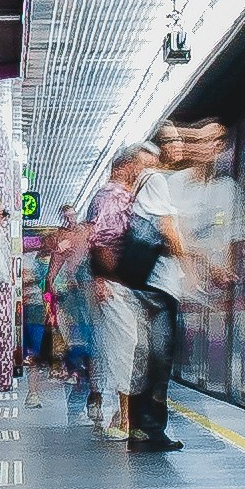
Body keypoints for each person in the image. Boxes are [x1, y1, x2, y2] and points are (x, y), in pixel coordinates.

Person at [118, 116, 239, 454]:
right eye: (170, 141)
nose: (178, 146)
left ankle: (147, 427)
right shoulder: (160, 181)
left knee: (157, 357)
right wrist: (194, 268)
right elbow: (172, 231)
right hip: (158, 284)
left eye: (179, 140)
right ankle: (148, 428)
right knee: (156, 357)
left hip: (161, 285)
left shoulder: (165, 182)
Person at [77, 151, 152, 433]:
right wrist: (105, 278)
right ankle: (123, 418)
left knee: (126, 348)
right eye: (141, 166)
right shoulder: (113, 197)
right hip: (118, 285)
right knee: (126, 349)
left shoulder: (121, 197)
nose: (144, 173)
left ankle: (124, 415)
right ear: (125, 167)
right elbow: (103, 240)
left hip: (120, 284)